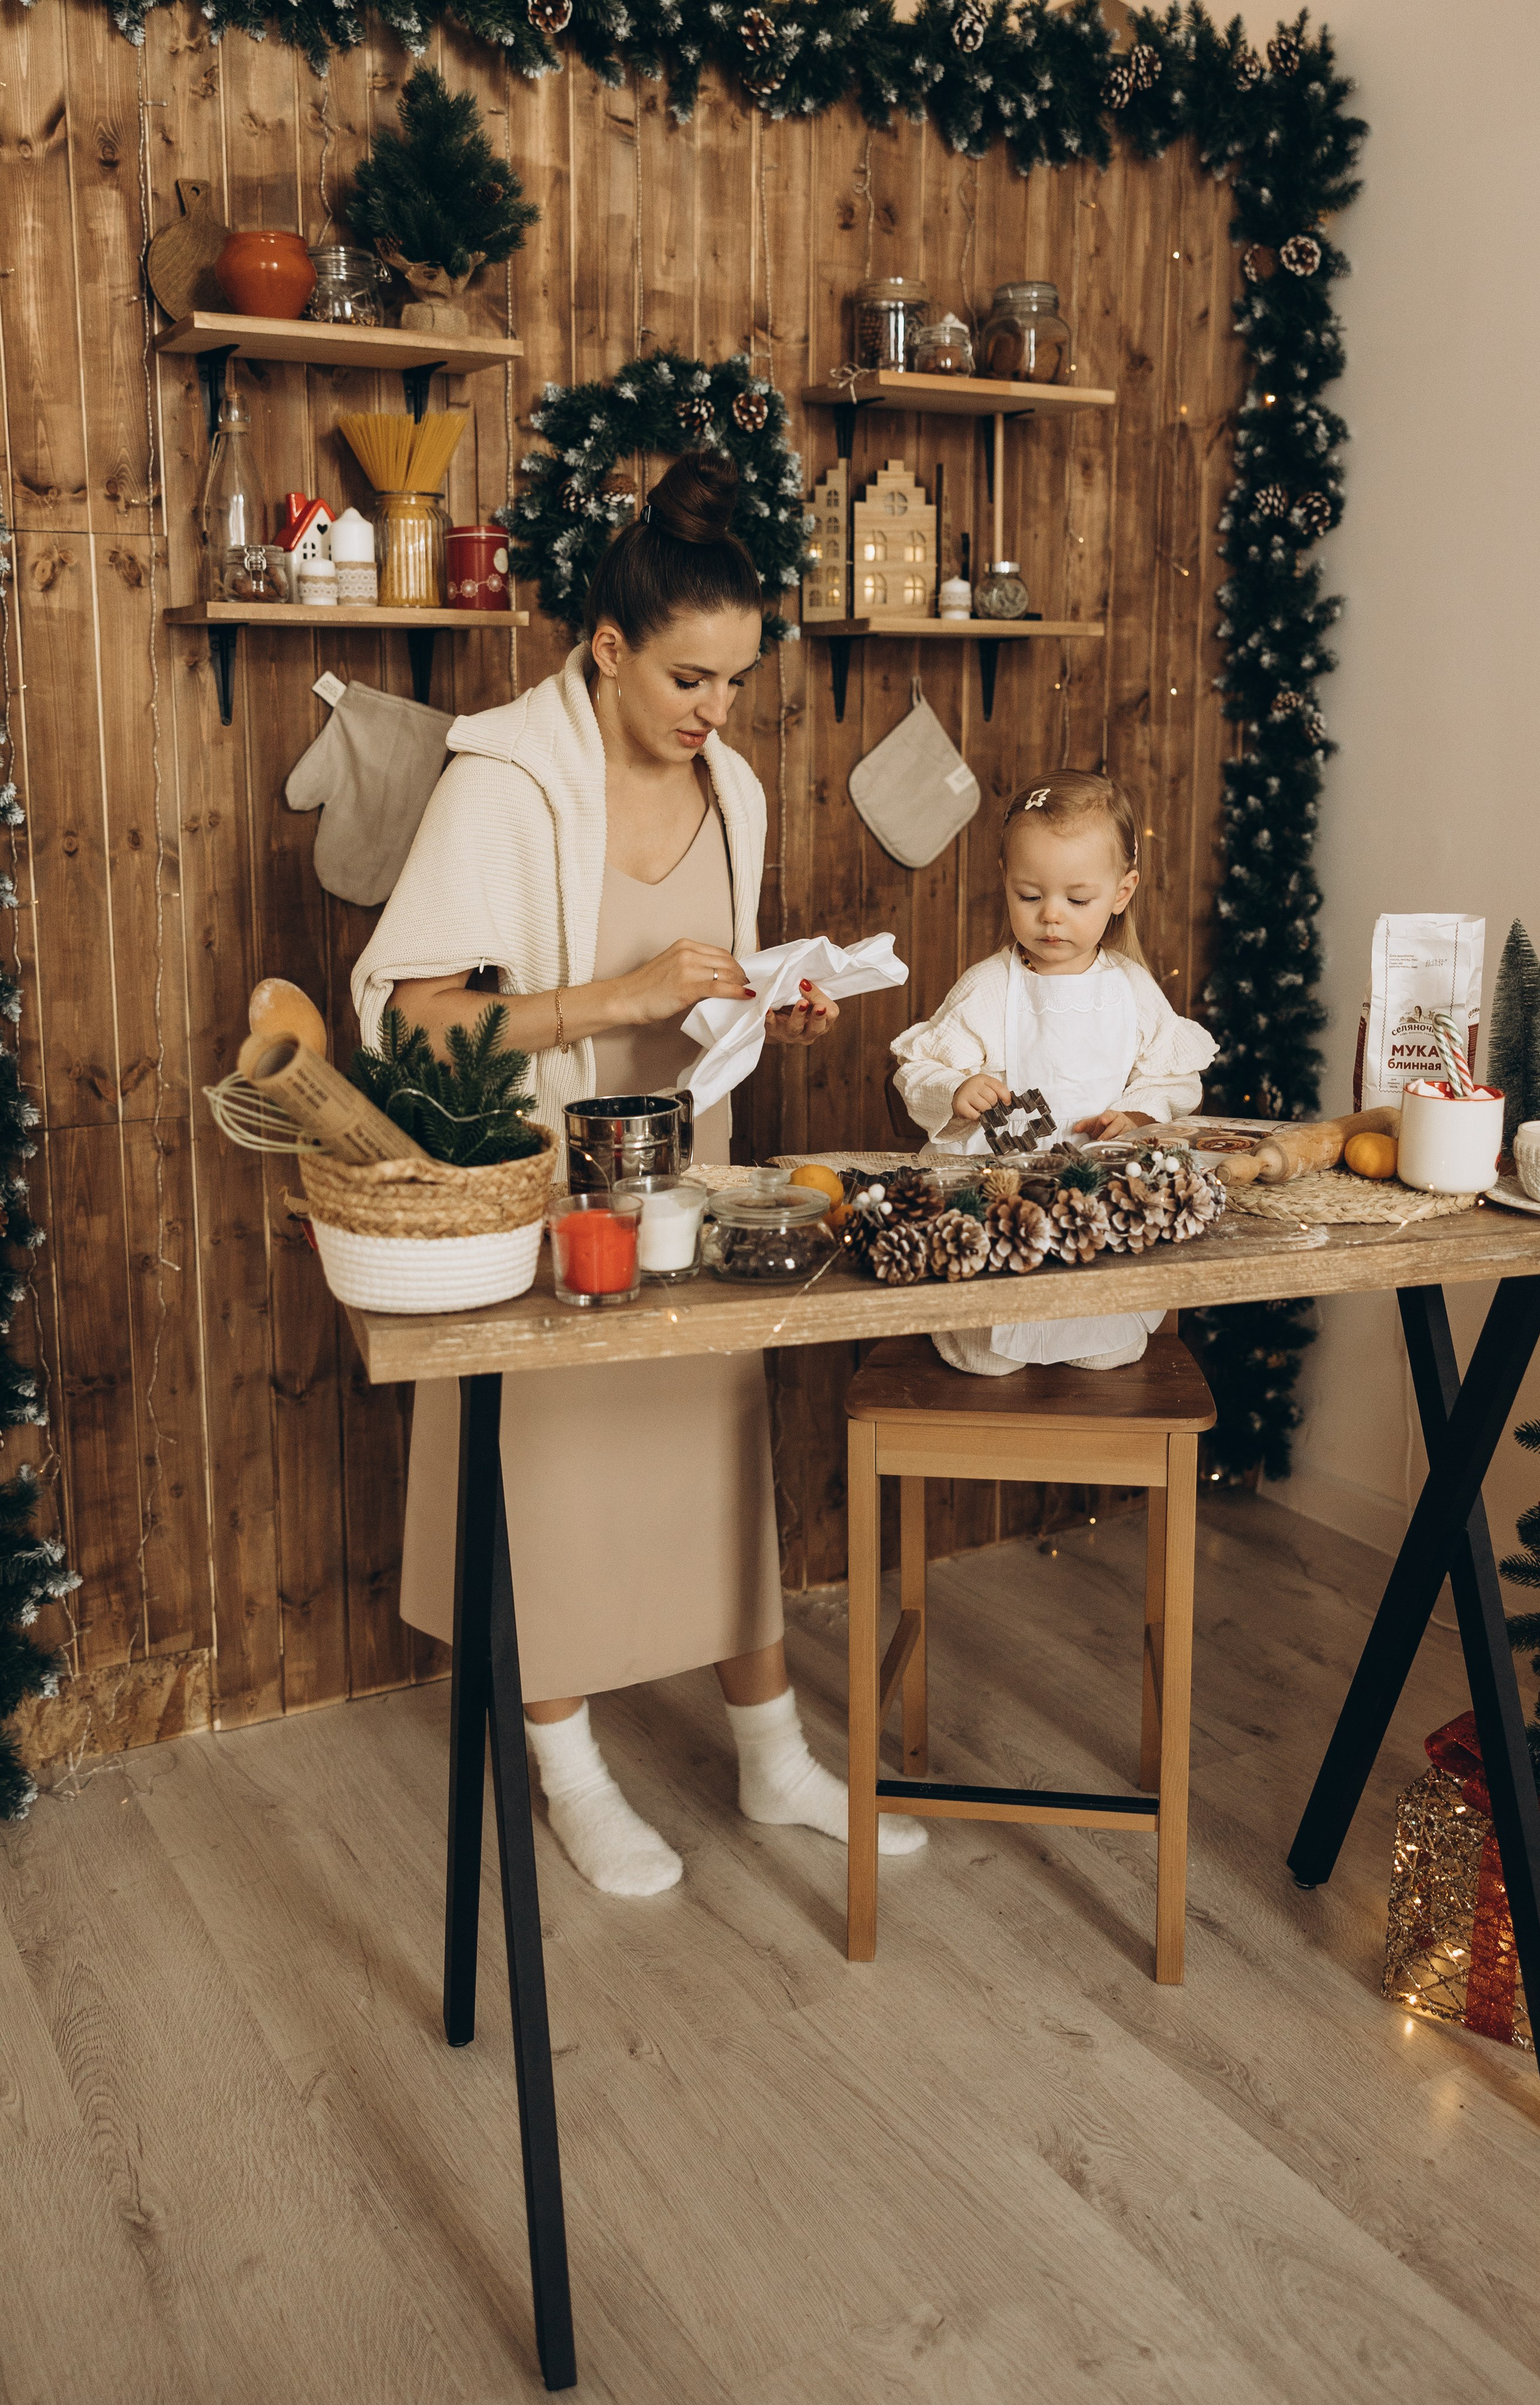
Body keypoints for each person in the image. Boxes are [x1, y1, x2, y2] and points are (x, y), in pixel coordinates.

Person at [352, 453, 924, 1896]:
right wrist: (611, 997)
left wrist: (758, 1000)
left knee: (714, 1457)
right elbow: (422, 1009)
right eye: (683, 676)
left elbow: (692, 990)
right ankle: (571, 1771)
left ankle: (769, 1749)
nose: (709, 711)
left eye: (732, 680)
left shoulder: (730, 790)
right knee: (549, 1480)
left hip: (686, 1183)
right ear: (603, 646)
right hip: (538, 1191)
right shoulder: (507, 788)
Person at [889, 773, 1217, 1377]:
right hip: (1003, 1191)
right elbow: (919, 1070)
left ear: (1122, 892)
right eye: (1030, 895)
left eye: (1077, 899)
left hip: (1095, 1192)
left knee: (1109, 1342)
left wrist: (1139, 1114)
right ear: (1005, 884)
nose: (1051, 918)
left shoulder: (1130, 990)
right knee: (988, 1349)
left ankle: (1092, 1325)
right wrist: (956, 1090)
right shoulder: (990, 988)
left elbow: (1172, 1077)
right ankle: (980, 1329)